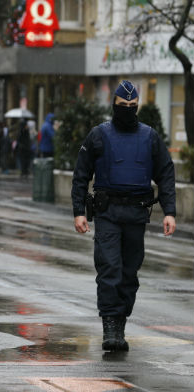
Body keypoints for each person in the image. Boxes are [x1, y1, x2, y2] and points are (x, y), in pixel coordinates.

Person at [71, 80, 176, 351]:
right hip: (107, 213)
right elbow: (81, 174)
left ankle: (120, 319)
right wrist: (78, 211)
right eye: (123, 106)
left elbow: (165, 173)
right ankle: (111, 328)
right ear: (114, 106)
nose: (128, 110)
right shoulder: (99, 135)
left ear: (137, 106)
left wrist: (170, 212)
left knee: (129, 273)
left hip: (136, 214)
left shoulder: (149, 137)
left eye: (132, 106)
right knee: (109, 269)